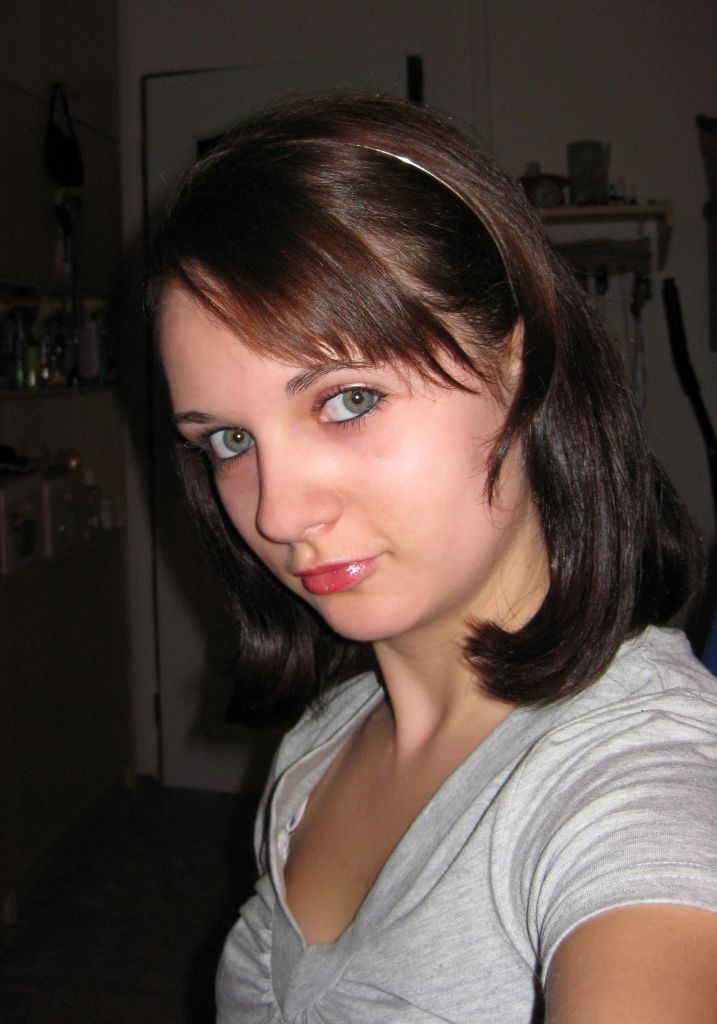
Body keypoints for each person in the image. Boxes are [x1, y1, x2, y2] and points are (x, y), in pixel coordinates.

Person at [147, 92, 717, 1023]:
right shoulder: (326, 740)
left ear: (518, 366)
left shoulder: (644, 781)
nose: (279, 512)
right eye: (228, 441)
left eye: (348, 400)